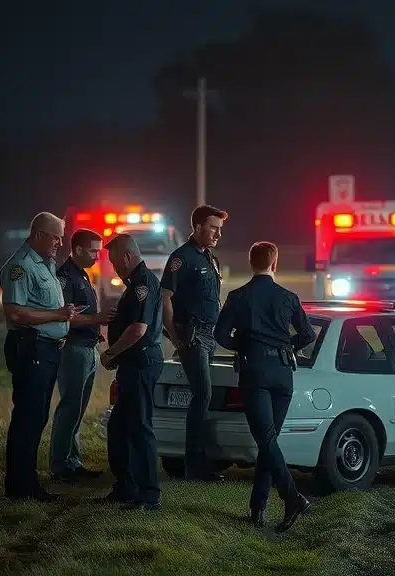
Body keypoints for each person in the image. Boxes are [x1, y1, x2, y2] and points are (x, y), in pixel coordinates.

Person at [214, 241, 315, 533]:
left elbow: (221, 335)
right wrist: (287, 346)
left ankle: (291, 497)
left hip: (255, 371)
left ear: (251, 263)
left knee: (267, 441)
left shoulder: (238, 296)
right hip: (283, 374)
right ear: (275, 264)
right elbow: (306, 334)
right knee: (267, 442)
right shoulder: (289, 297)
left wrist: (244, 346)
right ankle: (258, 509)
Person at [0, 212, 78, 501]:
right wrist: (57, 315)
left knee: (37, 416)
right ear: (37, 235)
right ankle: (21, 486)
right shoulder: (20, 266)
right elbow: (16, 312)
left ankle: (26, 481)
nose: (60, 242)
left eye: (61, 236)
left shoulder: (45, 264)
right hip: (31, 348)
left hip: (46, 350)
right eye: (56, 236)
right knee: (28, 417)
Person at [160, 204, 228, 482]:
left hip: (210, 336)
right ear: (197, 227)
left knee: (206, 396)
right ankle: (194, 466)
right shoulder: (181, 258)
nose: (217, 234)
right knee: (203, 396)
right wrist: (175, 336)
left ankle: (200, 460)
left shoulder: (209, 257)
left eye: (220, 229)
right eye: (213, 228)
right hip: (193, 337)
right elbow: (165, 298)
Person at [100, 233, 166, 510]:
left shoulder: (142, 284)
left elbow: (138, 329)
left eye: (115, 261)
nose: (114, 267)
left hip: (140, 363)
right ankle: (126, 486)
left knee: (139, 428)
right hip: (132, 365)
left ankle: (149, 494)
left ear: (127, 256)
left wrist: (111, 352)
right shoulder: (135, 284)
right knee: (119, 427)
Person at [49, 228, 115, 483]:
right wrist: (96, 319)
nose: (97, 256)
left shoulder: (83, 276)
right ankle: (61, 464)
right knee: (69, 408)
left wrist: (94, 329)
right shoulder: (66, 277)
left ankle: (72, 462)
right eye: (93, 251)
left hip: (87, 347)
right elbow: (65, 315)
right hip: (73, 351)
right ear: (77, 249)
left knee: (77, 409)